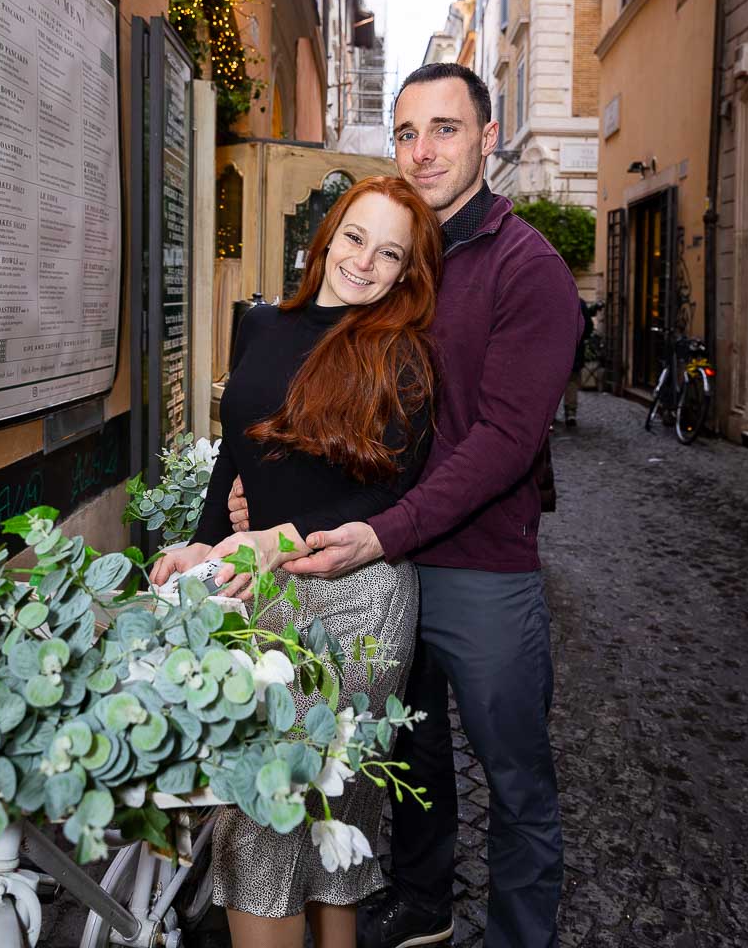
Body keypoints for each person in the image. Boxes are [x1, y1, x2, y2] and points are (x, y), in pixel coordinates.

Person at [229, 63, 583, 948]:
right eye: (406, 132)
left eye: (447, 129)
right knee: (396, 752)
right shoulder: (395, 249)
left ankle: (518, 934)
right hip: (371, 557)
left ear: (488, 137)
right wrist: (260, 486)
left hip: (476, 563)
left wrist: (385, 530)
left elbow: (504, 440)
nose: (423, 151)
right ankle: (422, 905)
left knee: (513, 773)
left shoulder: (526, 269)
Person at [150, 176, 442, 948]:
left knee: (275, 825)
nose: (364, 262)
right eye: (354, 237)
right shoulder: (262, 325)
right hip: (262, 593)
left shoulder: (402, 352)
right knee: (305, 835)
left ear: (407, 272)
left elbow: (396, 490)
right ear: (327, 233)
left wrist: (268, 542)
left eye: (389, 254)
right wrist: (206, 540)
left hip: (355, 605)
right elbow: (235, 461)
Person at [562, 298, 594, 427]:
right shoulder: (579, 303)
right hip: (574, 349)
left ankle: (549, 416)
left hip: (552, 349)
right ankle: (570, 412)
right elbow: (588, 327)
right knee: (572, 381)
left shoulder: (551, 298)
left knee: (550, 384)